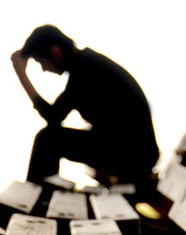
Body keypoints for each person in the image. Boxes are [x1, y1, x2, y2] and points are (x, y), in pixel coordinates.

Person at [11, 25, 159, 188]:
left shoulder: (85, 70)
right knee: (49, 138)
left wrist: (21, 75)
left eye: (41, 62)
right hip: (135, 153)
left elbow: (53, 117)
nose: (44, 69)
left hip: (134, 158)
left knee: (47, 140)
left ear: (55, 52)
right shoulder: (86, 65)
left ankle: (29, 201)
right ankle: (38, 195)